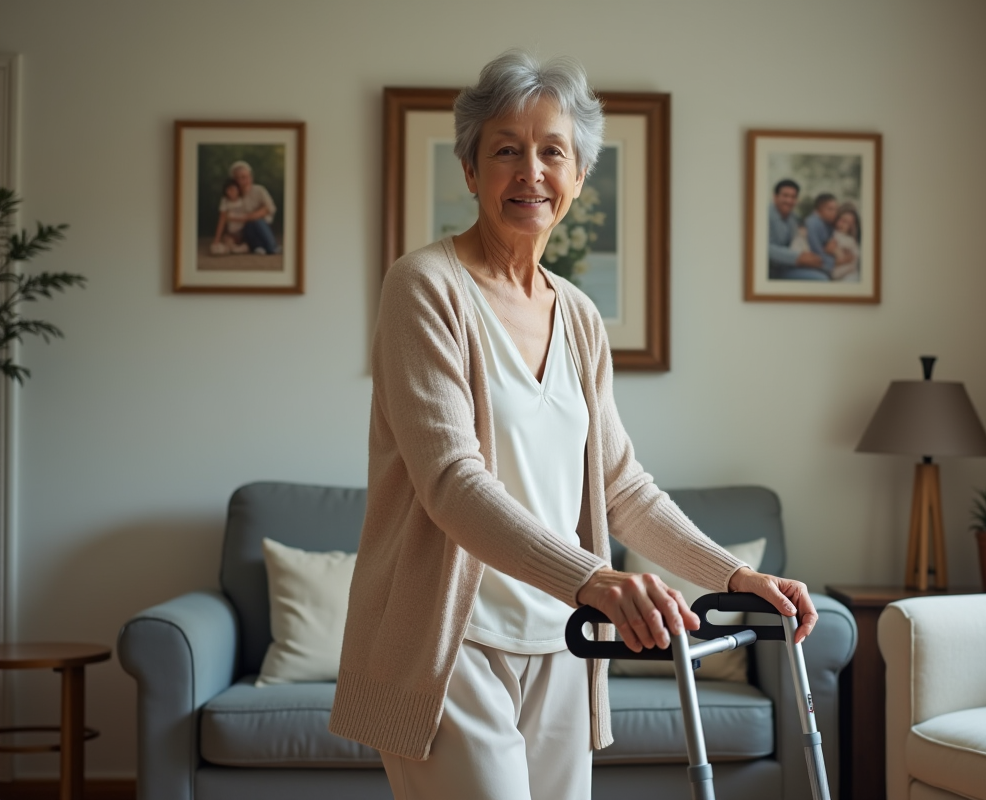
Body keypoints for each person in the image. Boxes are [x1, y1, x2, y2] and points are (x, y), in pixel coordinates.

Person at [329, 50, 819, 800]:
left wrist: (731, 574)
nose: (530, 172)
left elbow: (622, 485)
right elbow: (451, 481)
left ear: (579, 177)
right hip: (450, 645)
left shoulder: (581, 317)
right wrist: (596, 578)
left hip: (562, 640)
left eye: (552, 152)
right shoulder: (424, 286)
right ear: (469, 170)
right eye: (505, 150)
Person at [768, 179, 828, 280]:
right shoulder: (765, 215)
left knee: (824, 273)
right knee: (820, 279)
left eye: (793, 197)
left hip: (787, 266)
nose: (789, 201)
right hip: (769, 272)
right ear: (775, 197)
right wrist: (798, 257)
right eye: (785, 196)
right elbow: (763, 249)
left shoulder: (794, 218)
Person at [227, 160, 280, 255]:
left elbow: (269, 208)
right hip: (245, 231)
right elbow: (229, 219)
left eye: (244, 177)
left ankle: (271, 247)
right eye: (238, 178)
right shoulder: (232, 197)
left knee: (257, 221)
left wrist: (247, 217)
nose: (242, 181)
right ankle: (262, 247)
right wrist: (257, 212)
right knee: (251, 224)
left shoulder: (259, 190)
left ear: (250, 177)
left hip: (262, 226)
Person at [209, 178, 251, 256]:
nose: (231, 192)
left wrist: (234, 218)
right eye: (228, 190)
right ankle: (232, 249)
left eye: (233, 189)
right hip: (231, 233)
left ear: (238, 190)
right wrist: (216, 239)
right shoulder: (225, 201)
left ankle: (238, 248)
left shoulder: (243, 200)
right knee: (226, 241)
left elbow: (249, 216)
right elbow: (222, 219)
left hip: (244, 231)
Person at [803, 192, 840, 276]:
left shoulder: (827, 223)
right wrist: (839, 261)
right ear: (819, 210)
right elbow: (816, 253)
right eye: (830, 209)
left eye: (836, 209)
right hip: (808, 265)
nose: (834, 213)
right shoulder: (813, 222)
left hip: (823, 264)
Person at [826, 203, 861, 281]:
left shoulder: (850, 240)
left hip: (849, 275)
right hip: (835, 276)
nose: (841, 224)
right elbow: (829, 249)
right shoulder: (832, 234)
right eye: (841, 220)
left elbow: (854, 256)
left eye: (847, 223)